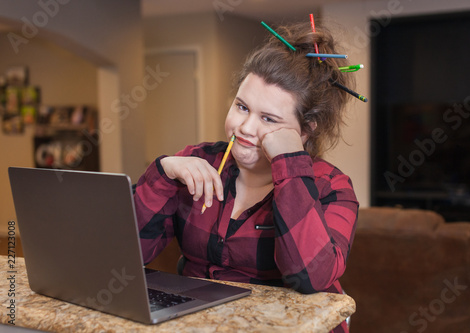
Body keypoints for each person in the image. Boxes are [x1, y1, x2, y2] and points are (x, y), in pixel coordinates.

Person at [134, 21, 358, 332]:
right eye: (242, 107)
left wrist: (289, 161)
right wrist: (163, 172)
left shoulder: (331, 187)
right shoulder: (196, 162)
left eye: (268, 118)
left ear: (305, 131)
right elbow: (124, 259)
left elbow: (310, 277)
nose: (246, 128)